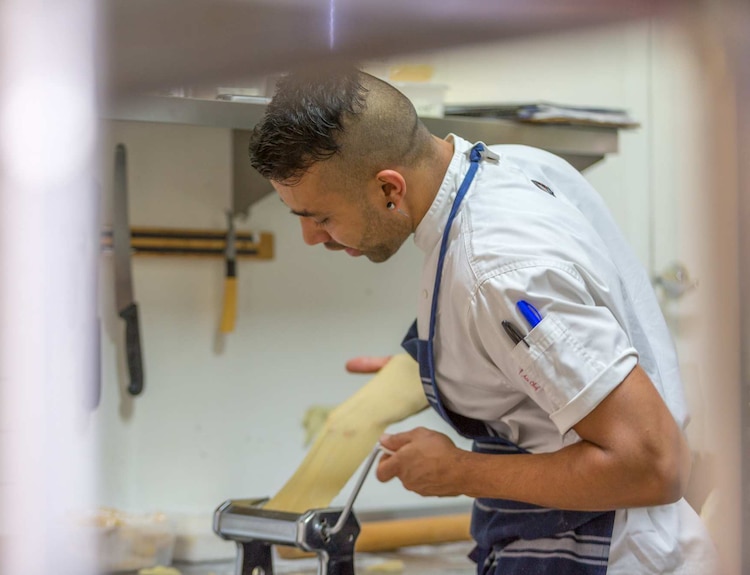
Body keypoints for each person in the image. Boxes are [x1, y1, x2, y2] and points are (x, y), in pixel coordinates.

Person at [248, 67, 719, 574]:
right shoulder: (512, 167)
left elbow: (653, 465)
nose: (313, 238)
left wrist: (457, 471)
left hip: (605, 553)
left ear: (390, 188)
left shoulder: (497, 271)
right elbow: (573, 332)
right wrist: (463, 364)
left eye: (319, 217)